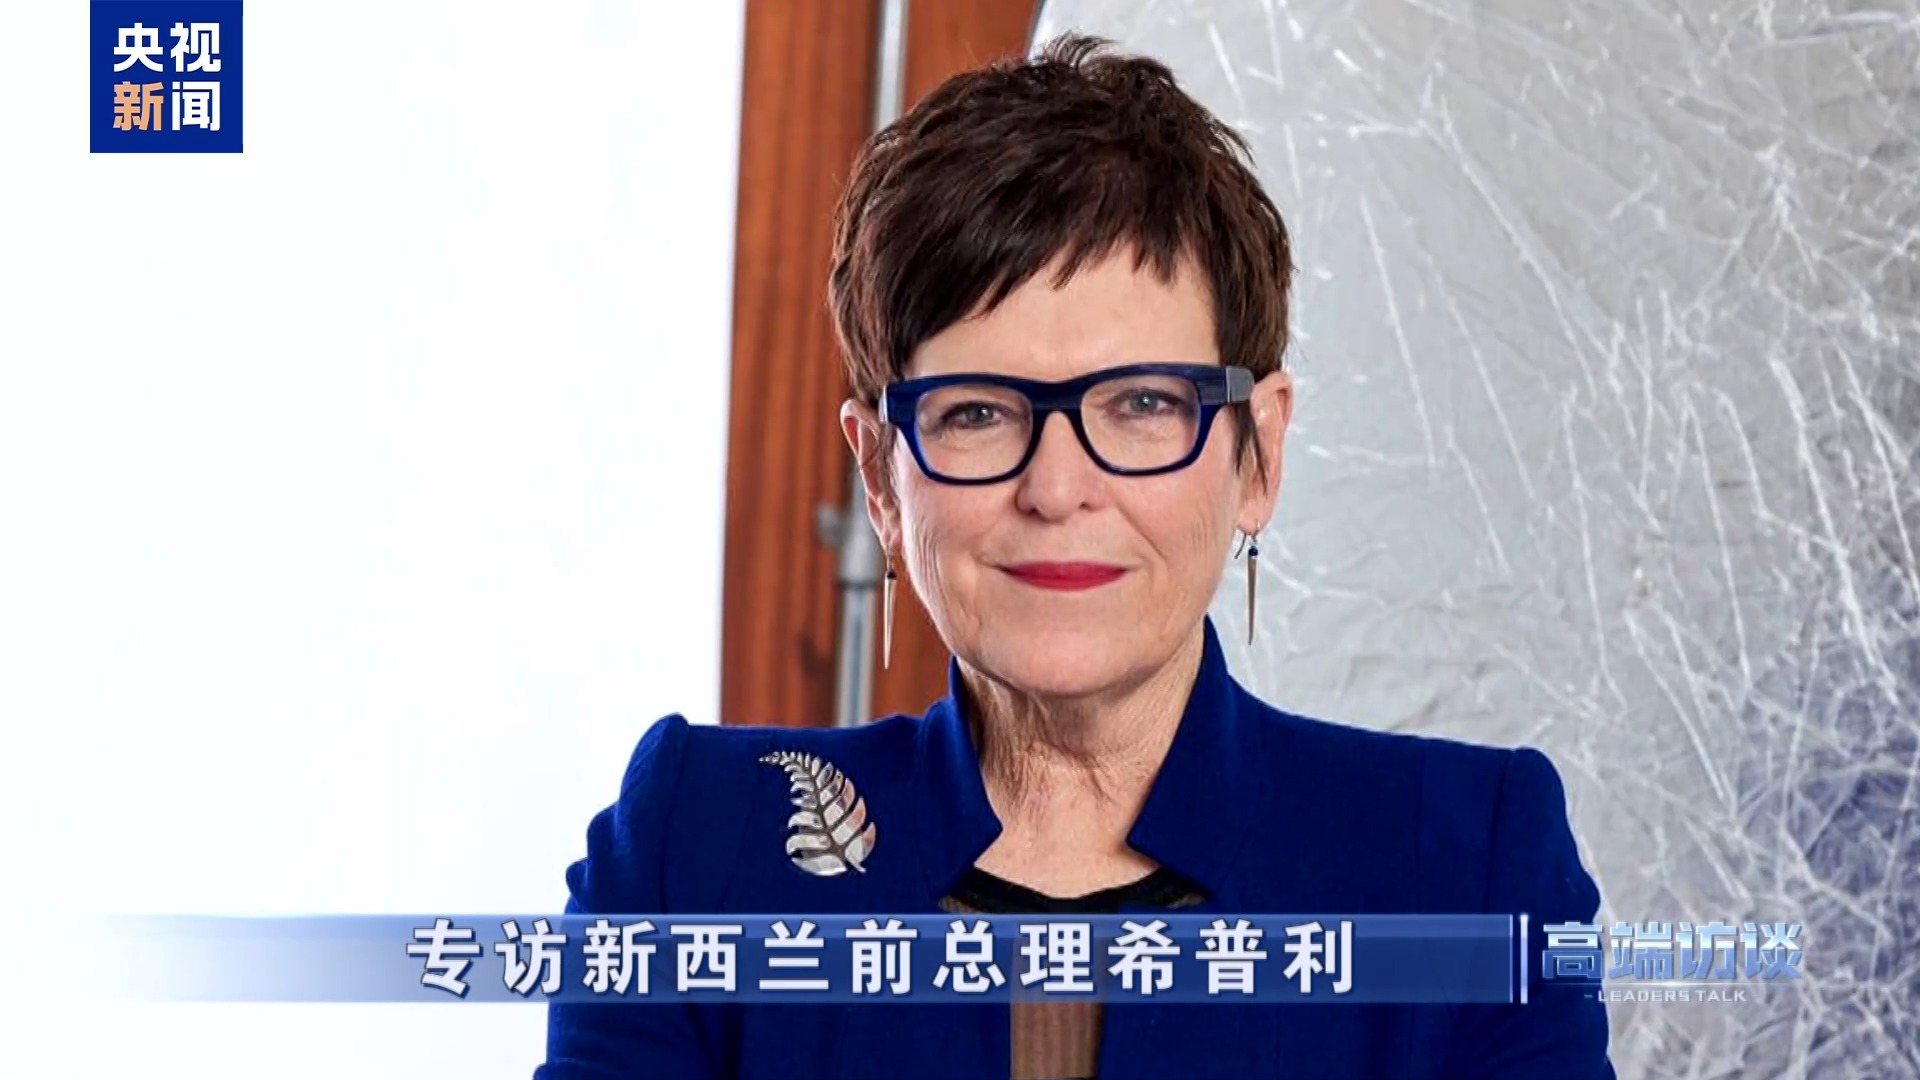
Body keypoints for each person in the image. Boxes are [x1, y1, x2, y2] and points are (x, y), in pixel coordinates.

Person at [537, 33, 1612, 1080]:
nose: (1056, 489)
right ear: (881, 479)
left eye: (1142, 404)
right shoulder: (696, 851)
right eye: (975, 412)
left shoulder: (1467, 871)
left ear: (1258, 455)